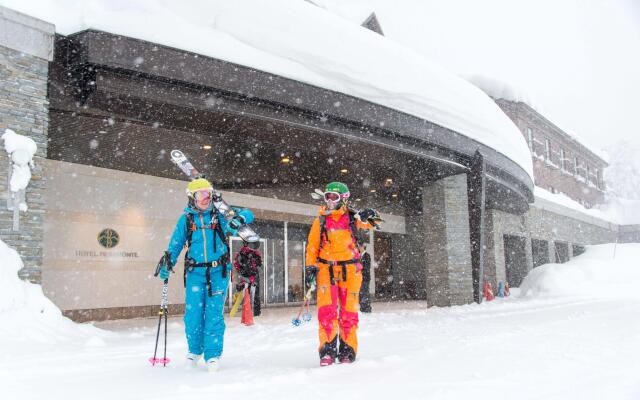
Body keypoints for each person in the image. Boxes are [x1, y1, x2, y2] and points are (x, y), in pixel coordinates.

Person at [156, 177, 254, 373]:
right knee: (192, 315)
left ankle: (212, 355)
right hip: (195, 273)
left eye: (208, 193)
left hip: (218, 272)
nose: (205, 197)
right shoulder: (187, 219)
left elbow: (248, 213)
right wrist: (168, 261)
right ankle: (194, 351)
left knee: (213, 315)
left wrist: (238, 219)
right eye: (201, 194)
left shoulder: (220, 215)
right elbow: (175, 244)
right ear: (192, 197)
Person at [304, 181, 381, 366]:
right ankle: (327, 351)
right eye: (327, 197)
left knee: (348, 312)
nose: (330, 201)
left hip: (350, 271)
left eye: (334, 197)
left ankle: (348, 351)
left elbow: (376, 223)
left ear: (343, 199)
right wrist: (310, 267)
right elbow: (312, 246)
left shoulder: (353, 218)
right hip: (326, 269)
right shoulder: (321, 219)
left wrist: (369, 214)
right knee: (327, 312)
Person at [358, 243, 372, 313]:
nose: (359, 248)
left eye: (360, 246)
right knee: (361, 293)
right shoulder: (359, 256)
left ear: (364, 247)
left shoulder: (367, 256)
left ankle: (367, 308)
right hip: (360, 278)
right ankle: (362, 308)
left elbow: (366, 268)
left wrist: (360, 269)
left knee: (365, 293)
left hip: (365, 278)